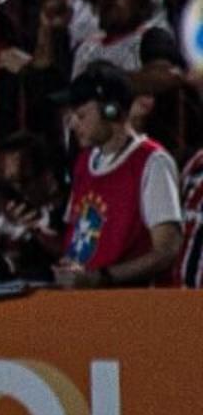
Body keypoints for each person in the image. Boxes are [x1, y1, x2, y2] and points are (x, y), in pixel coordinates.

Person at [54, 63, 188, 288]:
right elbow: (78, 240)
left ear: (111, 111)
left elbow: (166, 251)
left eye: (81, 115)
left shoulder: (152, 162)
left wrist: (101, 278)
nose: (73, 124)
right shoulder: (84, 161)